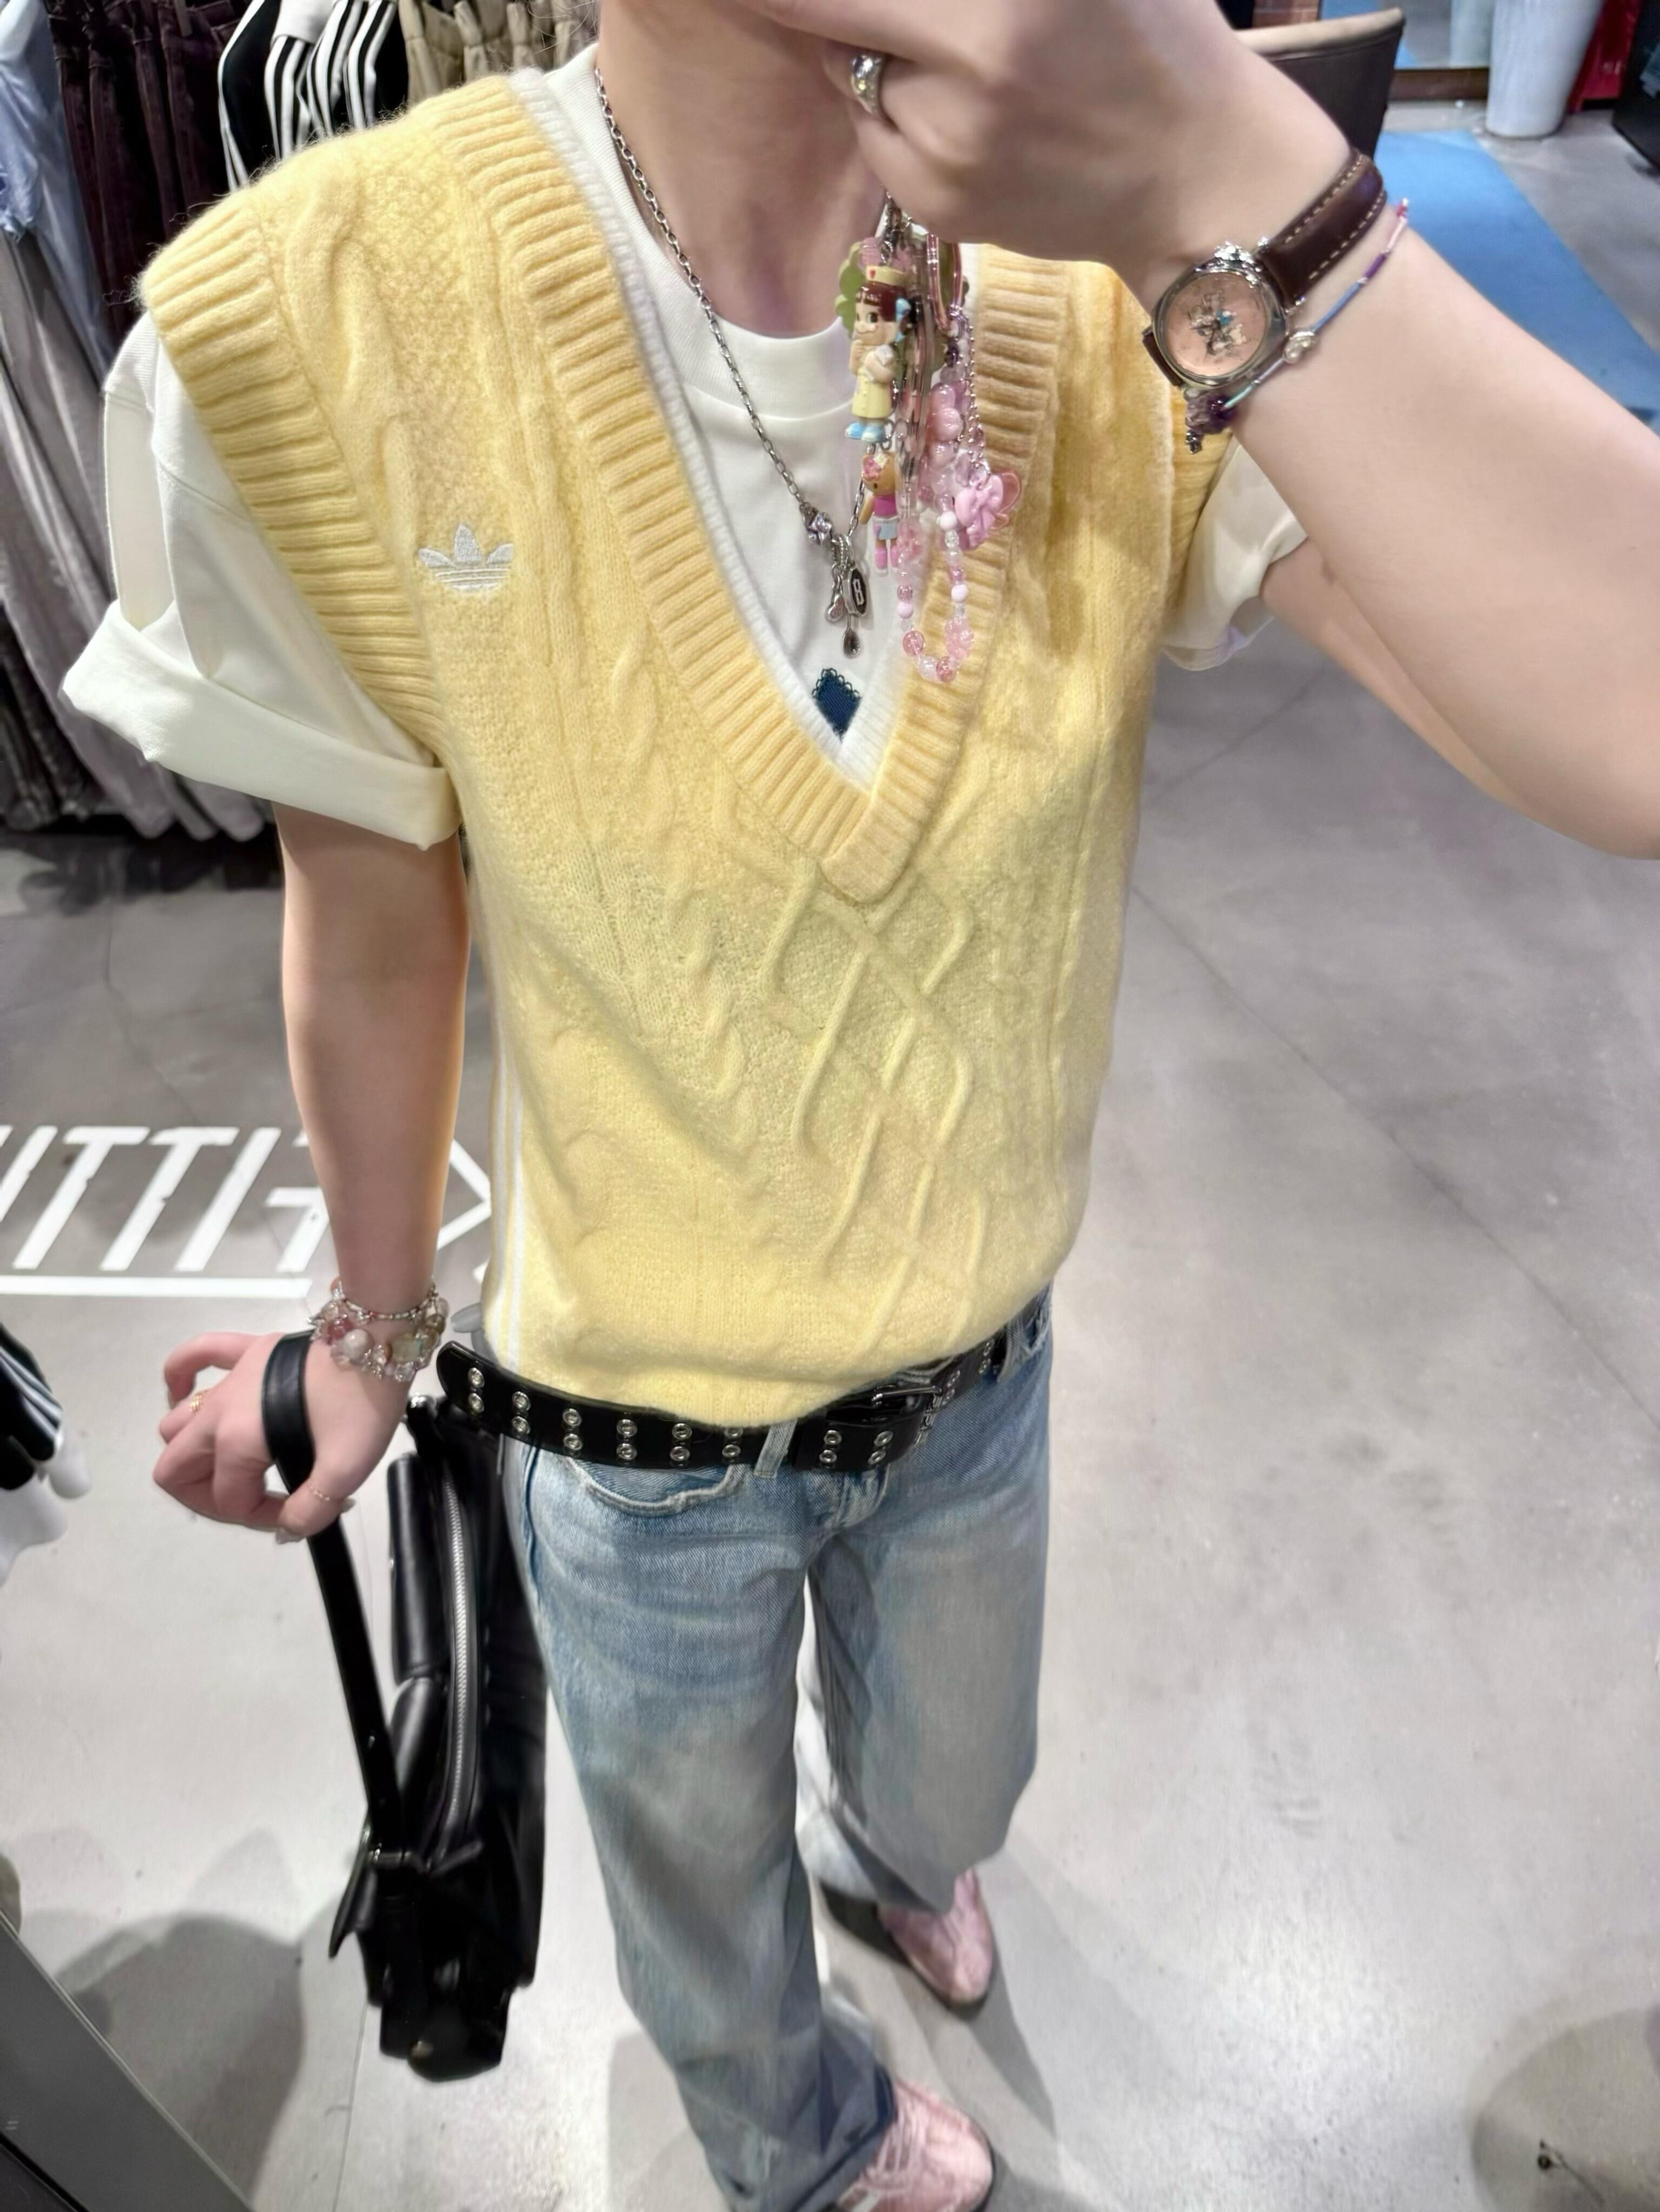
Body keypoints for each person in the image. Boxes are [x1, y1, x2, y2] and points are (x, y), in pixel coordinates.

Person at [65, 0, 1659, 2204]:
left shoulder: (1132, 289)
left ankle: (896, 1858)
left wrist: (1216, 159)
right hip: (632, 1432)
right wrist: (366, 1326)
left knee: (946, 1780)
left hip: (979, 1365)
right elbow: (371, 912)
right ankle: (794, 2148)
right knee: (699, 1918)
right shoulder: (318, 316)